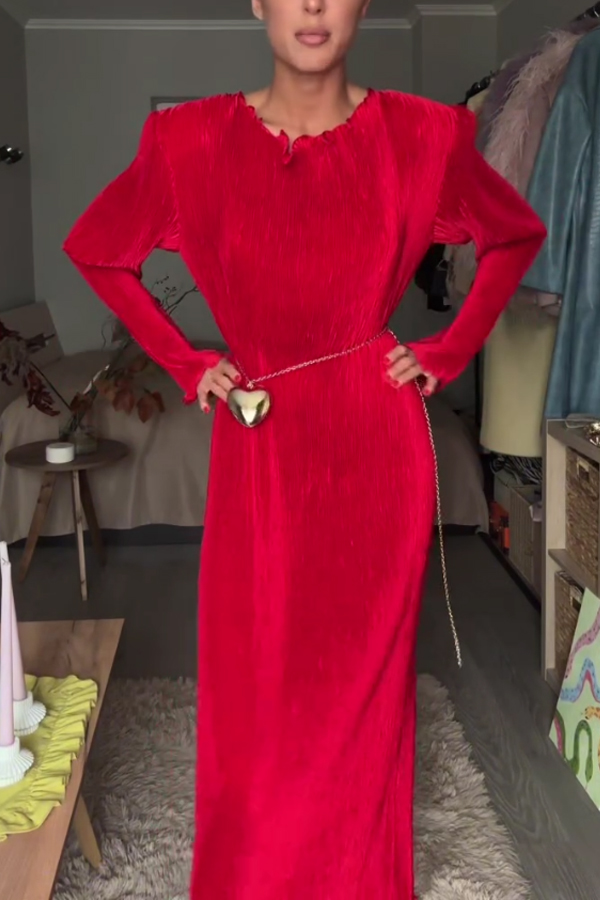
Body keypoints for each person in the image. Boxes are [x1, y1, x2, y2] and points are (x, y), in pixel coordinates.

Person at [63, 1, 546, 896]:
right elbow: (98, 250)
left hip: (374, 443)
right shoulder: (188, 142)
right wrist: (186, 361)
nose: (313, 4)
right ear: (258, 2)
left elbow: (514, 234)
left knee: (362, 692)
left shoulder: (425, 136)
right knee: (255, 687)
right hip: (261, 444)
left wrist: (448, 350)